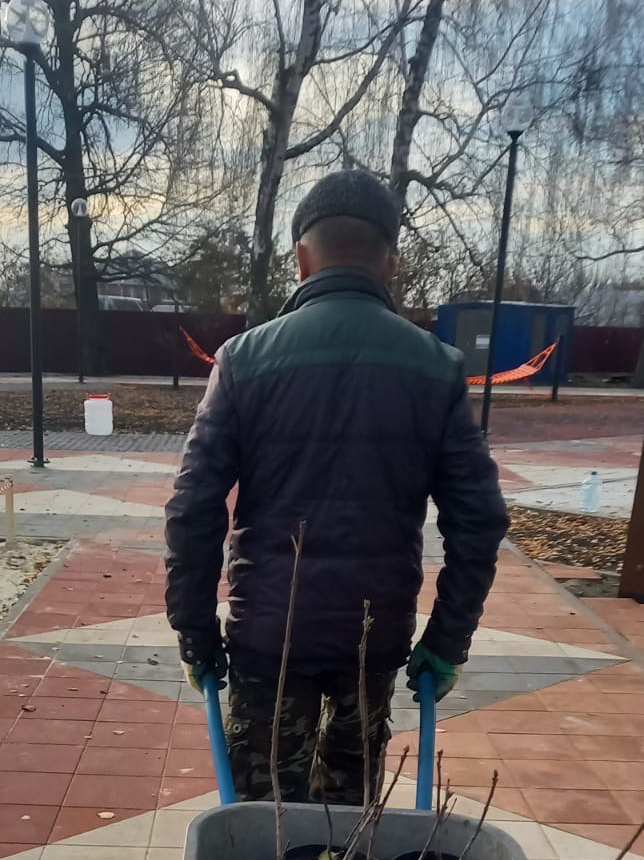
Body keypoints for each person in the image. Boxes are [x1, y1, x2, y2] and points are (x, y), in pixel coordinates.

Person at [164, 168, 509, 804]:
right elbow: (480, 520)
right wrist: (446, 641)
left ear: (301, 258)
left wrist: (197, 637)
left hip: (269, 636)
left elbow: (193, 509)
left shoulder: (244, 360)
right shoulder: (436, 367)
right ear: (391, 263)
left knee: (262, 835)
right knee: (350, 830)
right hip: (371, 639)